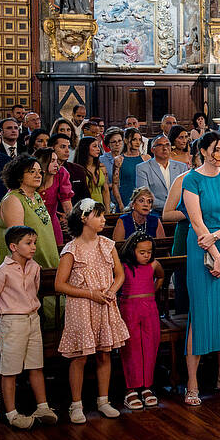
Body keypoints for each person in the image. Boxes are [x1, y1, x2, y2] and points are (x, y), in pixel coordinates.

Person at [180, 131, 220, 405]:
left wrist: (218, 240)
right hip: (202, 250)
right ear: (204, 151)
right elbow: (197, 224)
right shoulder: (191, 179)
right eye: (217, 150)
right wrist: (214, 253)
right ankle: (192, 383)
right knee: (201, 314)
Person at [55, 200, 130, 424]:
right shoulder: (71, 249)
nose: (104, 220)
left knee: (104, 353)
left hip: (104, 304)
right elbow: (60, 285)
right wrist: (90, 293)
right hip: (81, 307)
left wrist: (112, 290)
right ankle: (76, 404)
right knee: (80, 356)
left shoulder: (107, 244)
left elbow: (120, 274)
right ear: (84, 218)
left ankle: (103, 400)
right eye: (98, 215)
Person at [0, 225, 57, 430]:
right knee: (10, 369)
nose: (33, 247)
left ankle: (42, 407)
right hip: (13, 321)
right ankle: (12, 413)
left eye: (34, 243)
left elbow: (35, 289)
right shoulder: (3, 271)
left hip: (32, 319)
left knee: (36, 365)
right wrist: (1, 312)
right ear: (14, 246)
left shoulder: (34, 267)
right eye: (28, 243)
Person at [117, 231, 164, 411]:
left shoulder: (153, 265)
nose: (147, 256)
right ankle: (131, 389)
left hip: (149, 309)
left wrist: (153, 289)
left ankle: (146, 387)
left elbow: (161, 276)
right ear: (132, 250)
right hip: (129, 310)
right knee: (131, 347)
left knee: (150, 346)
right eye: (142, 252)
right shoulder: (123, 267)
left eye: (149, 252)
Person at [138, 134, 188, 212]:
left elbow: (186, 192)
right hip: (154, 212)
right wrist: (169, 207)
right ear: (152, 150)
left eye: (167, 145)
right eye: (160, 145)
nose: (165, 148)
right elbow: (144, 195)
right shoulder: (143, 168)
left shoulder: (182, 167)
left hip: (178, 212)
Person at [38, 149, 72, 249]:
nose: (56, 164)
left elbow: (66, 202)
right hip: (33, 224)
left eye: (57, 161)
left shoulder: (61, 173)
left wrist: (73, 224)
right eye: (52, 161)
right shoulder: (32, 176)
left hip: (52, 223)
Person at [73, 136, 108, 210]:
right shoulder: (77, 169)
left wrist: (107, 209)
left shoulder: (101, 167)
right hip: (84, 207)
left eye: (98, 146)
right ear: (85, 148)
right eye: (94, 146)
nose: (98, 149)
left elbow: (105, 190)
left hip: (100, 205)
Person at [112, 128, 144, 204]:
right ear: (126, 141)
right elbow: (115, 184)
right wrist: (120, 204)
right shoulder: (119, 160)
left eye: (139, 140)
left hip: (142, 198)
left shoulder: (146, 158)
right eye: (134, 139)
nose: (137, 142)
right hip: (125, 197)